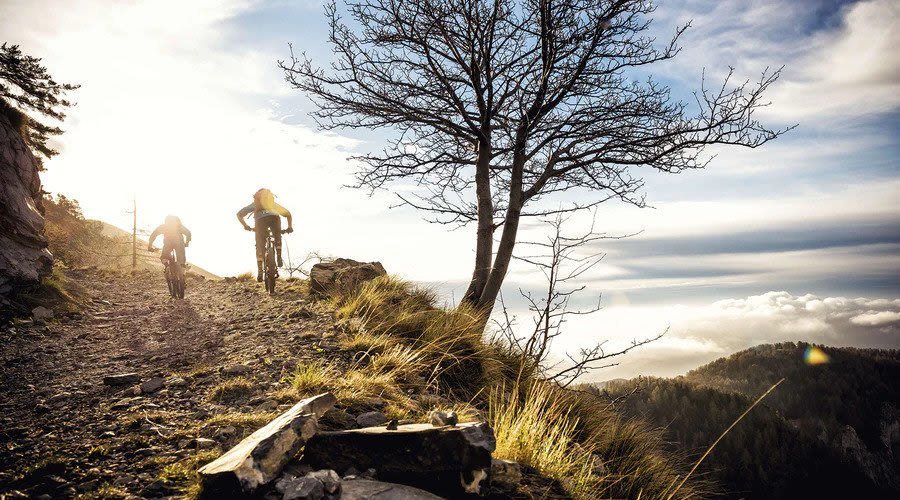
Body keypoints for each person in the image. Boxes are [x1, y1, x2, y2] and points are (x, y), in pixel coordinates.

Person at [236, 188, 293, 281]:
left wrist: (246, 226)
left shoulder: (255, 204)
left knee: (259, 244)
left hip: (260, 221)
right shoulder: (272, 204)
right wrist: (289, 227)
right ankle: (278, 257)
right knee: (277, 235)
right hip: (274, 218)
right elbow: (288, 214)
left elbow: (239, 214)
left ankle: (260, 272)